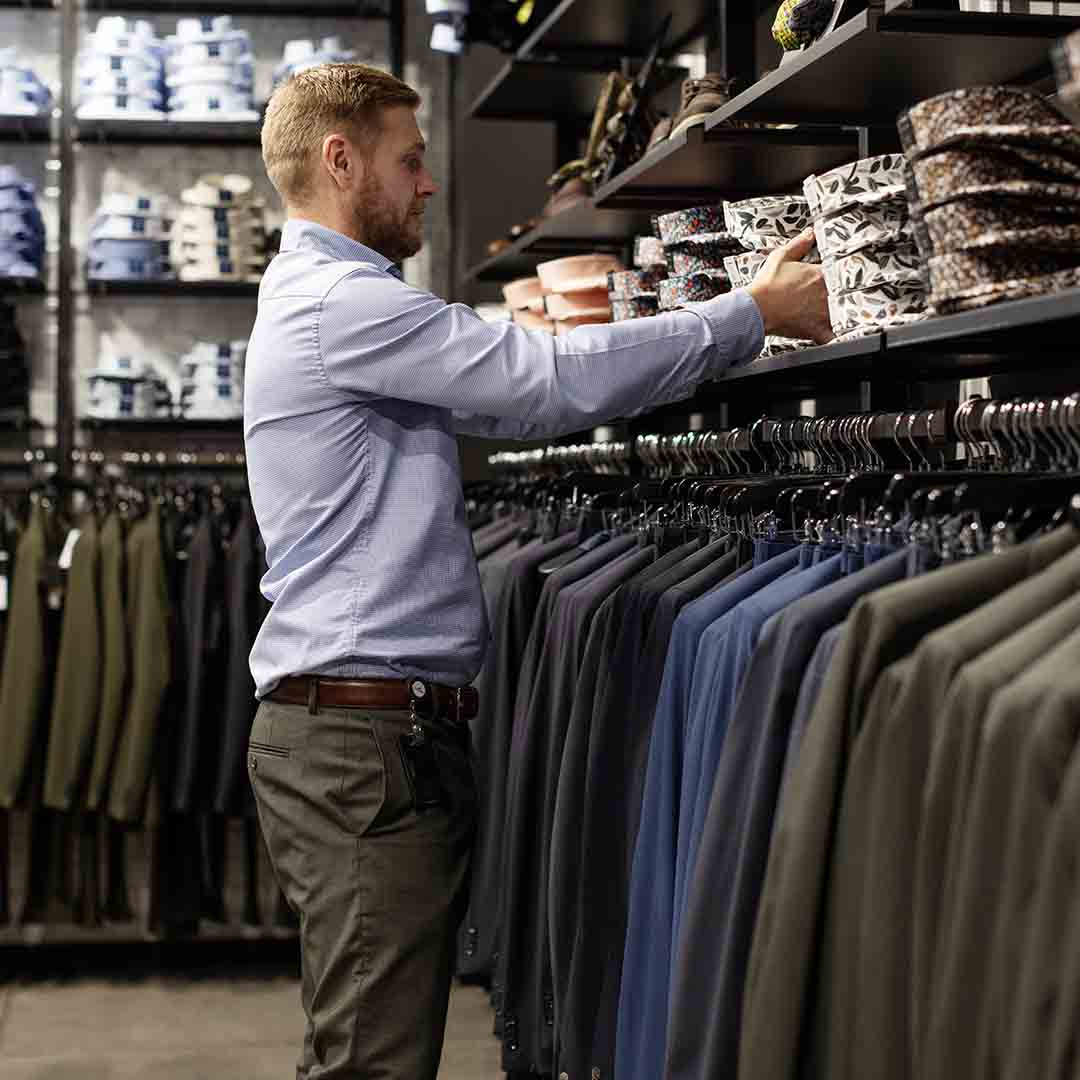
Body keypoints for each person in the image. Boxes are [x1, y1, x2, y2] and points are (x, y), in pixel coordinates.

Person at [244, 61, 830, 1080]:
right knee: (369, 1062)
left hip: (372, 737)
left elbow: (512, 380)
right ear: (341, 160)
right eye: (410, 159)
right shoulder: (339, 306)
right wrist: (749, 313)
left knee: (369, 1046)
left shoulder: (334, 305)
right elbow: (542, 384)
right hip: (360, 743)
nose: (427, 183)